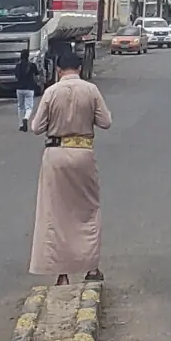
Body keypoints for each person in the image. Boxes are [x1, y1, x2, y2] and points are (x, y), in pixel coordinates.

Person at [27, 47, 112, 285]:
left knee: (56, 212)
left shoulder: (52, 92)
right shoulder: (91, 90)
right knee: (87, 211)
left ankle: (62, 274)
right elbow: (106, 122)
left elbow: (36, 127)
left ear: (58, 69)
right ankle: (91, 268)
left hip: (56, 153)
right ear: (80, 68)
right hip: (83, 152)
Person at [13, 55, 41, 132]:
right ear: (28, 56)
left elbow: (15, 76)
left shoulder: (18, 66)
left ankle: (21, 125)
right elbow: (37, 76)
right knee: (29, 107)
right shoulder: (32, 65)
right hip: (29, 88)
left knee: (20, 107)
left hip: (19, 89)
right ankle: (26, 118)